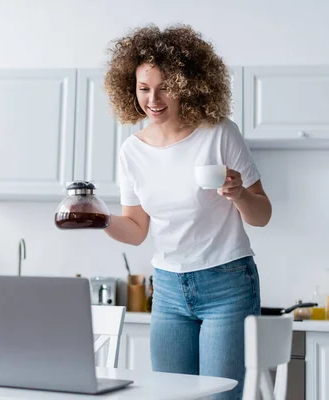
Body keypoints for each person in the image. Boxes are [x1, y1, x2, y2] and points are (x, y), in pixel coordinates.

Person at [103, 24, 272, 400]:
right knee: (170, 395)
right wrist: (99, 218)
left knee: (219, 396)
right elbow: (135, 228)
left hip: (226, 282)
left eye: (165, 86)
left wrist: (239, 193)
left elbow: (262, 215)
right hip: (166, 288)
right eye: (144, 88)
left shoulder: (219, 133)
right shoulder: (131, 151)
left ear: (188, 83)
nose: (154, 98)